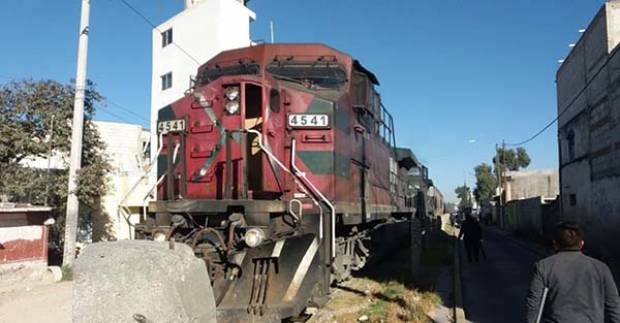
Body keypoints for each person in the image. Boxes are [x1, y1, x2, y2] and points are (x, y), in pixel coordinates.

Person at [525, 221, 620, 323]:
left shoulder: (543, 266)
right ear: (582, 243)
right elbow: (613, 304)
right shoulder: (601, 268)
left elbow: (534, 304)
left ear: (555, 244)